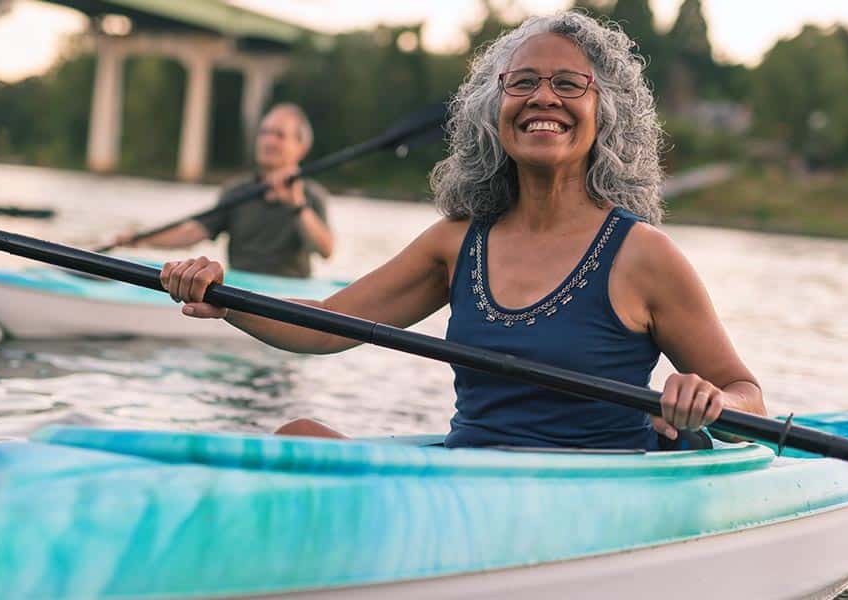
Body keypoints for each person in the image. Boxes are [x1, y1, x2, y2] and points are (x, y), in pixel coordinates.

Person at [158, 11, 767, 450]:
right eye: (522, 82)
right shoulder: (455, 242)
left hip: (589, 492)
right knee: (295, 438)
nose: (542, 97)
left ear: (604, 111)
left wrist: (709, 401)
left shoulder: (644, 255)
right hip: (469, 483)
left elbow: (746, 393)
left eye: (568, 84)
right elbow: (322, 324)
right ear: (492, 109)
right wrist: (222, 296)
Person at [116, 103, 334, 279]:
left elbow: (326, 250)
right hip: (241, 286)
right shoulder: (237, 190)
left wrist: (297, 205)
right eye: (264, 132)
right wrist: (141, 239)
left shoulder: (312, 195)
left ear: (301, 147)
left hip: (290, 292)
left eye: (279, 134)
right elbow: (193, 232)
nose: (269, 140)